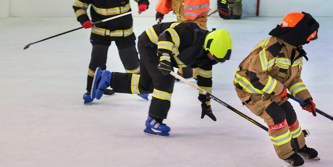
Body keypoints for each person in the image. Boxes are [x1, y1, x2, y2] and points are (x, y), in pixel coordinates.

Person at [90, 22, 232, 136]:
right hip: (151, 44)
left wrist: (205, 102)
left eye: (218, 60)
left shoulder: (208, 59)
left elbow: (205, 81)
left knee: (147, 85)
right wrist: (164, 58)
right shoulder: (190, 32)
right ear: (208, 45)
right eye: (214, 56)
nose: (214, 60)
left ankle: (109, 78)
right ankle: (154, 120)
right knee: (165, 80)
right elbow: (167, 36)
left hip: (163, 53)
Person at [233, 12, 320, 167]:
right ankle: (287, 154)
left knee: (290, 113)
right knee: (277, 116)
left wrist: (306, 99)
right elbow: (256, 76)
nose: (306, 43)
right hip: (251, 91)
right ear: (298, 35)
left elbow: (294, 80)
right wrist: (279, 90)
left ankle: (299, 146)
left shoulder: (295, 51)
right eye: (306, 38)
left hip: (270, 89)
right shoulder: (272, 50)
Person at [72, 0, 150, 104]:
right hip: (101, 33)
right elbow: (79, 6)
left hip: (124, 32)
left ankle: (142, 88)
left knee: (132, 63)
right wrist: (84, 20)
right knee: (97, 62)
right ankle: (91, 90)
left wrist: (143, 3)